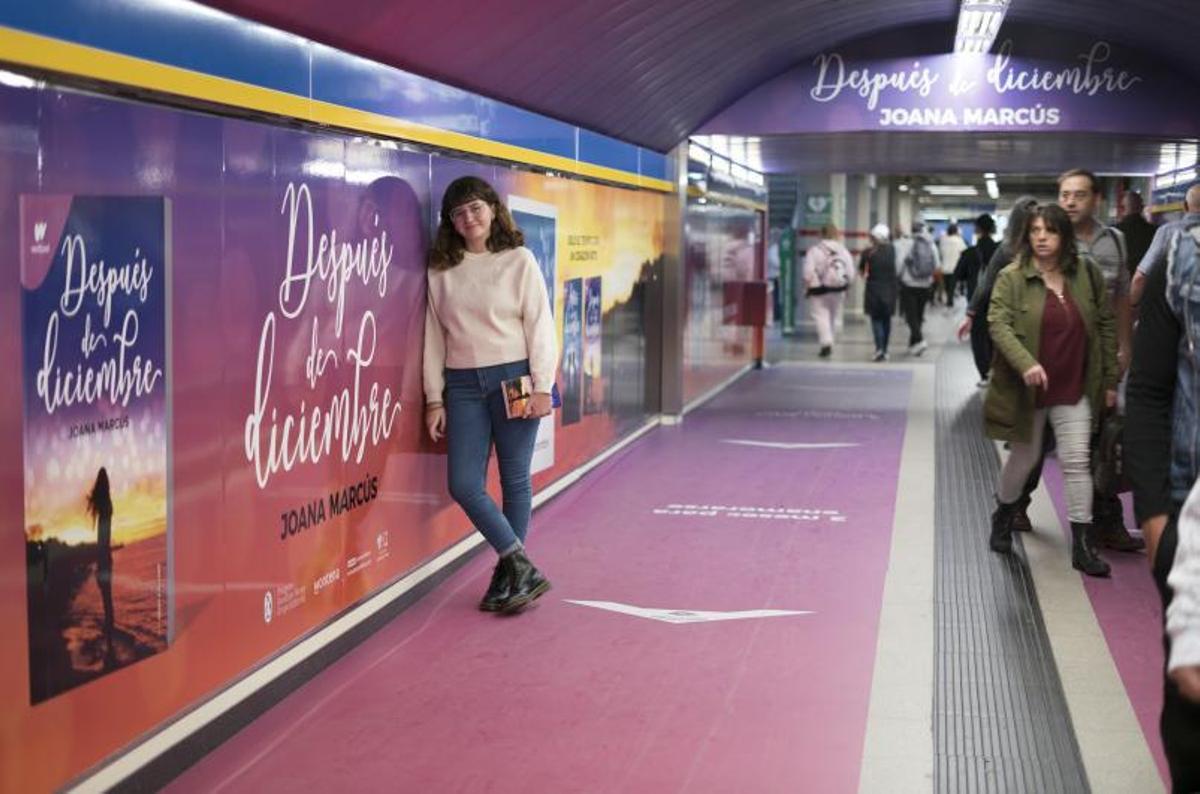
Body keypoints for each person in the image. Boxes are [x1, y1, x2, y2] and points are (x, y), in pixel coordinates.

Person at [424, 176, 557, 614]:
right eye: (458, 212)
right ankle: (519, 565)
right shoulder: (441, 270)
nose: (469, 218)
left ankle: (510, 578)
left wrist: (542, 386)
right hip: (462, 385)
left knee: (515, 480)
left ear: (494, 209)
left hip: (515, 379)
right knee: (464, 484)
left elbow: (540, 325)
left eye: (476, 208)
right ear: (450, 221)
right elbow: (434, 338)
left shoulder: (519, 260)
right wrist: (434, 398)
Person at [984, 204, 1118, 578]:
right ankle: (1003, 513)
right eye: (1035, 231)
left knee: (1077, 462)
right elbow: (998, 324)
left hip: (1075, 385)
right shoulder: (1012, 277)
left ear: (1065, 236)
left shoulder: (1086, 273)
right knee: (1023, 459)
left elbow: (1105, 324)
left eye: (1050, 230)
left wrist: (1109, 380)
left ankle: (1083, 546)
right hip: (1028, 389)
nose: (1042, 237)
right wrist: (1026, 363)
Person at [1126, 186, 1200, 790]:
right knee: (1190, 702)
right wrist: (1153, 513)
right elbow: (1149, 389)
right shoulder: (1181, 255)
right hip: (1188, 506)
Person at [1057, 169, 1142, 552]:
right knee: (1040, 439)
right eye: (1065, 194)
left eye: (1079, 194)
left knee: (1103, 437)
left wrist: (1125, 346)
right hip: (1058, 355)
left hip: (1101, 356)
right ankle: (1014, 503)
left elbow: (1121, 297)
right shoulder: (1050, 238)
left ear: (1097, 199)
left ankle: (1105, 520)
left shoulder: (1115, 241)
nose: (1070, 201)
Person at [960, 198, 1038, 387]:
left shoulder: (1008, 247)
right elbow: (987, 281)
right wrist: (971, 312)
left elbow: (986, 281)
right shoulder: (1008, 248)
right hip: (1017, 314)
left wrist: (971, 312)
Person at [802, 223, 855, 358]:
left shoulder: (814, 250)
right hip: (838, 288)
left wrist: (808, 285)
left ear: (821, 234)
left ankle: (826, 342)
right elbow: (850, 271)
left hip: (818, 289)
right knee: (832, 316)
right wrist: (848, 284)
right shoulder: (843, 251)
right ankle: (829, 340)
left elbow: (808, 272)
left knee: (821, 316)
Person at [897, 220, 940, 356]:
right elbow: (937, 264)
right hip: (925, 284)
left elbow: (899, 263)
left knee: (911, 316)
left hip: (909, 284)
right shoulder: (930, 243)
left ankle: (920, 340)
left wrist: (898, 277)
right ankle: (913, 344)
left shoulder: (907, 243)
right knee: (919, 315)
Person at [87, 467, 115, 665]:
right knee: (107, 594)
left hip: (103, 553)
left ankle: (110, 632)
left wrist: (101, 556)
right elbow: (104, 534)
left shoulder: (104, 504)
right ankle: (109, 632)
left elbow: (103, 535)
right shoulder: (107, 503)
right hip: (105, 553)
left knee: (106, 594)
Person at [859, 223, 897, 361]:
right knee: (887, 320)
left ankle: (879, 348)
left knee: (876, 320)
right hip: (890, 289)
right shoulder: (893, 250)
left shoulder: (867, 252)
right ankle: (885, 350)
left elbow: (862, 271)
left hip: (873, 289)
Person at [1116, 190, 1156, 281]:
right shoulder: (1155, 231)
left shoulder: (1114, 232)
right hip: (1147, 282)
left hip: (1121, 283)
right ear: (1142, 207)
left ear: (1122, 208)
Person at [937, 222, 967, 307]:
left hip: (945, 267)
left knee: (947, 285)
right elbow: (964, 252)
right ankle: (950, 300)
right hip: (955, 267)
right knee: (952, 285)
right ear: (956, 231)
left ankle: (949, 298)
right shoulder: (959, 241)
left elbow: (940, 253)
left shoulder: (943, 240)